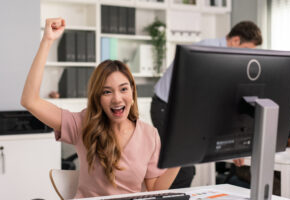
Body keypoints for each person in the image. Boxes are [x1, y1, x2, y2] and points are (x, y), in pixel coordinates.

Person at [21, 18, 180, 199]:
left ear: (132, 93)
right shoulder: (82, 124)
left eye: (123, 89)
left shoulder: (149, 135)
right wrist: (47, 40)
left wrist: (179, 159)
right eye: (107, 92)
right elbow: (30, 100)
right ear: (97, 98)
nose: (117, 99)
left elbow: (154, 189)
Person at [151, 21, 262, 189]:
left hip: (184, 112)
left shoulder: (228, 59)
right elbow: (208, 98)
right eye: (247, 49)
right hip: (166, 108)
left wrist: (233, 145)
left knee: (187, 170)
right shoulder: (209, 50)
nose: (247, 56)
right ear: (236, 40)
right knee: (183, 170)